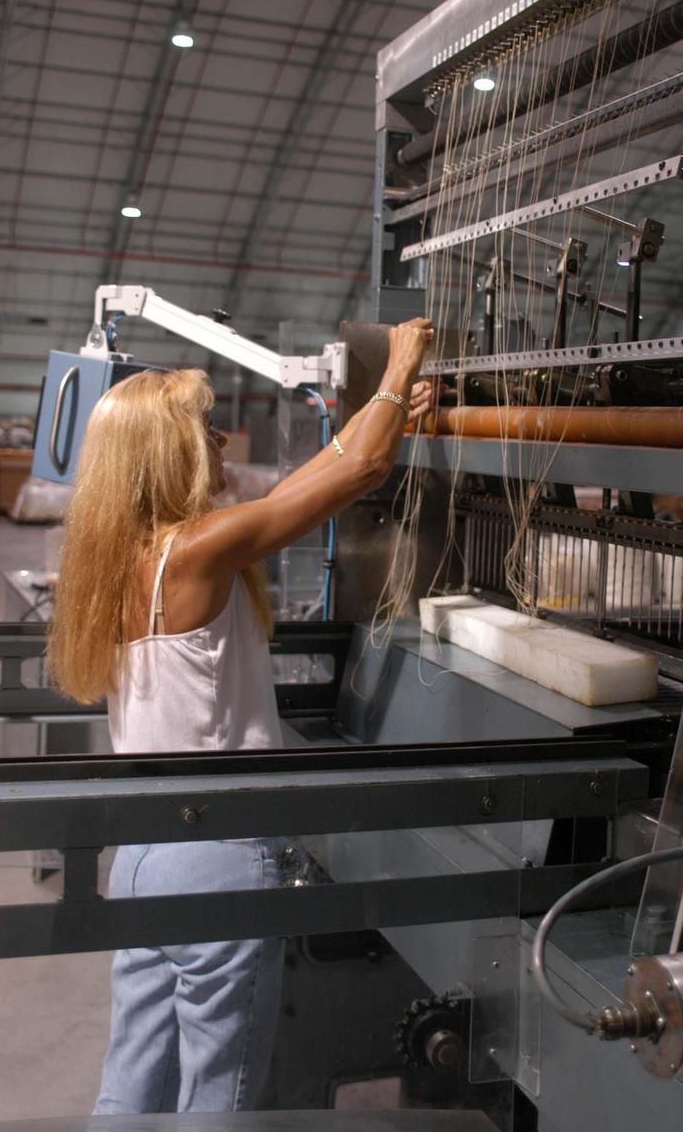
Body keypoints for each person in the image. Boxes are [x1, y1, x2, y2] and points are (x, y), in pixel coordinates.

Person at [47, 317, 436, 1114]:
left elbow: (314, 481)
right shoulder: (195, 552)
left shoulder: (126, 558)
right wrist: (398, 363)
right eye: (205, 427)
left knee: (135, 1078)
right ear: (171, 452)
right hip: (216, 851)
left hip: (144, 858)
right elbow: (355, 471)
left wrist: (389, 409)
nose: (221, 437)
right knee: (219, 1095)